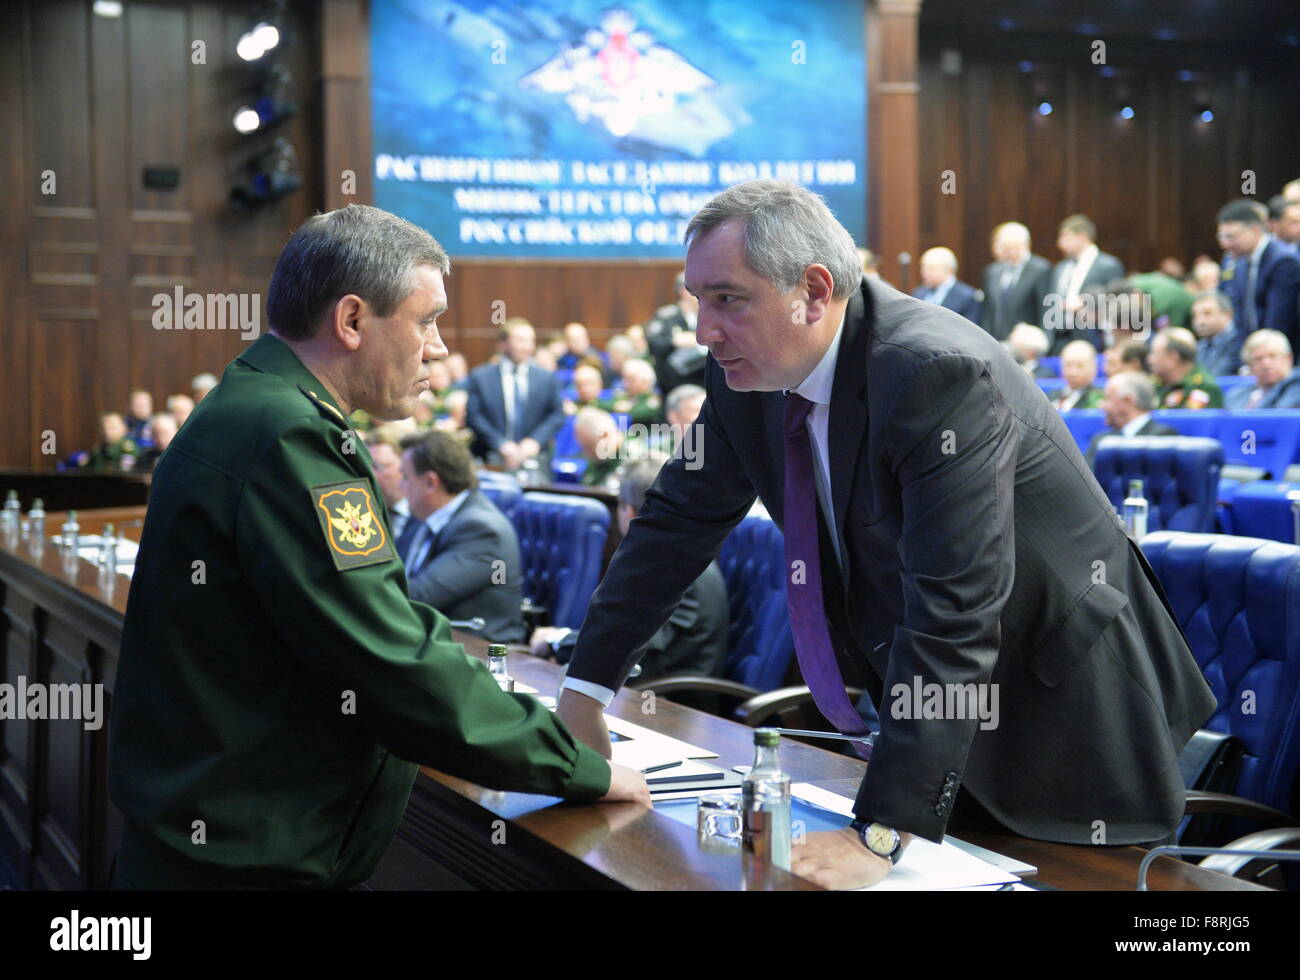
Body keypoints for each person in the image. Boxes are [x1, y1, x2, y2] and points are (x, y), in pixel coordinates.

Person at [554, 180, 1214, 890]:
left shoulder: (936, 371)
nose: (702, 332)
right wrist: (583, 695)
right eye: (697, 301)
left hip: (1067, 727)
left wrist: (884, 828)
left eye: (728, 299)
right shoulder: (745, 374)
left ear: (813, 291)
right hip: (931, 731)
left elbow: (955, 601)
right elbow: (672, 526)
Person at [107, 204, 648, 890]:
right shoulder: (291, 434)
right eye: (427, 321)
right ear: (353, 320)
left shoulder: (248, 403)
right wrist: (578, 765)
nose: (439, 347)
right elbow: (388, 656)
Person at [533, 455, 728, 711]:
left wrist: (557, 640)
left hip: (673, 709)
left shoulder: (673, 569)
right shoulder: (678, 557)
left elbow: (627, 642)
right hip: (646, 694)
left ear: (631, 513)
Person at [397, 431, 526, 643]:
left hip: (478, 652)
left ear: (430, 482)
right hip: (429, 642)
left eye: (405, 477)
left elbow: (418, 597)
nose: (400, 486)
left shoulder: (481, 530)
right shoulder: (422, 516)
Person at [464, 319, 565, 469]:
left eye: (530, 341)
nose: (527, 347)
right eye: (520, 340)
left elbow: (557, 414)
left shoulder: (546, 378)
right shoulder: (481, 377)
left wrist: (535, 441)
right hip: (491, 458)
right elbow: (474, 417)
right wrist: (500, 444)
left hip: (534, 459)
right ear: (503, 344)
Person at [1216, 199, 1300, 350]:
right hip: (1253, 352)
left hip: (1279, 352)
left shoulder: (1283, 260)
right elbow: (1240, 317)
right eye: (1221, 237)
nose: (1225, 244)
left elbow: (1279, 319)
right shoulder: (1239, 263)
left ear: (1255, 230)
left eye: (1231, 237)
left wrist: (1260, 353)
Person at [1048, 214, 1125, 353]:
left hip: (1091, 337)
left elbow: (1116, 300)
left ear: (1082, 236)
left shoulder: (1108, 265)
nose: (1060, 244)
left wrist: (1085, 302)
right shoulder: (1061, 267)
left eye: (1066, 238)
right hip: (1058, 339)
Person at [1084, 372, 1180, 465]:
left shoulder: (1162, 436)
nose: (1101, 405)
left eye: (1107, 398)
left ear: (1127, 401)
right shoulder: (1101, 440)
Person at [980, 221, 1052, 341]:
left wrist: (1044, 340)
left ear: (1025, 245)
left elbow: (1046, 310)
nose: (1008, 252)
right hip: (995, 341)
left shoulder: (1040, 270)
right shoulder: (992, 272)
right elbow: (987, 313)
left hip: (1025, 342)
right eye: (1004, 247)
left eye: (1012, 247)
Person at [645, 270, 707, 391]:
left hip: (704, 382)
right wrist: (673, 341)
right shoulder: (667, 316)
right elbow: (653, 344)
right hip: (674, 384)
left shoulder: (710, 315)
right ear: (684, 291)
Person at [1148, 327, 1224, 409]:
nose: (1150, 360)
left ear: (1172, 358)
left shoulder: (1204, 387)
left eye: (1154, 353)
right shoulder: (1153, 384)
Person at [1226, 330, 1300, 409]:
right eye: (1258, 359)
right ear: (1249, 365)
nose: (1266, 364)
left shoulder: (1296, 388)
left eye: (1272, 356)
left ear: (1288, 359)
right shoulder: (1236, 395)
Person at [912, 247, 982, 324]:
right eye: (923, 268)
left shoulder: (967, 296)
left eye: (931, 269)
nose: (925, 273)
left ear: (949, 270)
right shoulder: (919, 293)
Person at [364, 432, 408, 539]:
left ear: (404, 467)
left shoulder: (424, 514)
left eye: (378, 467)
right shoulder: (363, 514)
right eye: (366, 468)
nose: (371, 475)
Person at [1190, 291, 1243, 377]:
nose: (1199, 322)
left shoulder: (1238, 341)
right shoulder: (1201, 346)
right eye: (1195, 315)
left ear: (1227, 314)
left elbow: (1217, 377)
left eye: (1207, 313)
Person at [1052, 340, 1103, 410]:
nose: (1072, 373)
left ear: (1093, 368)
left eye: (1080, 366)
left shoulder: (1097, 397)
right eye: (1068, 365)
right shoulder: (1052, 395)